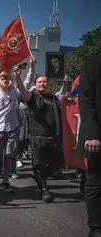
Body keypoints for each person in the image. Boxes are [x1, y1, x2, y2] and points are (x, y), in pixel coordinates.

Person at [14, 66, 63, 203]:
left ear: (49, 84)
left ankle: (40, 180)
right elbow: (23, 91)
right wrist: (18, 77)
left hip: (53, 138)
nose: (42, 84)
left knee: (54, 167)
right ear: (35, 85)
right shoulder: (33, 97)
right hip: (37, 139)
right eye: (39, 82)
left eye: (44, 82)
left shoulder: (54, 99)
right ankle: (44, 190)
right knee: (39, 166)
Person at [77, 53, 101, 237]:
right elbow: (86, 100)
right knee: (95, 180)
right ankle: (95, 227)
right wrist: (92, 133)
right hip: (97, 135)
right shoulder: (94, 61)